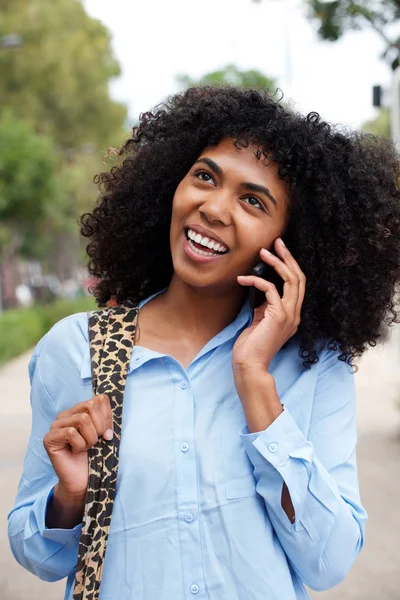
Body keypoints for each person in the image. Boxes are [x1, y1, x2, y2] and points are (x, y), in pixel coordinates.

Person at [8, 86, 400, 600]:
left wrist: (256, 383)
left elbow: (327, 561)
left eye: (253, 200)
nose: (214, 208)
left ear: (288, 245)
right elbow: (36, 554)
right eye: (205, 176)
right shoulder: (76, 350)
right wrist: (71, 495)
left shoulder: (313, 365)